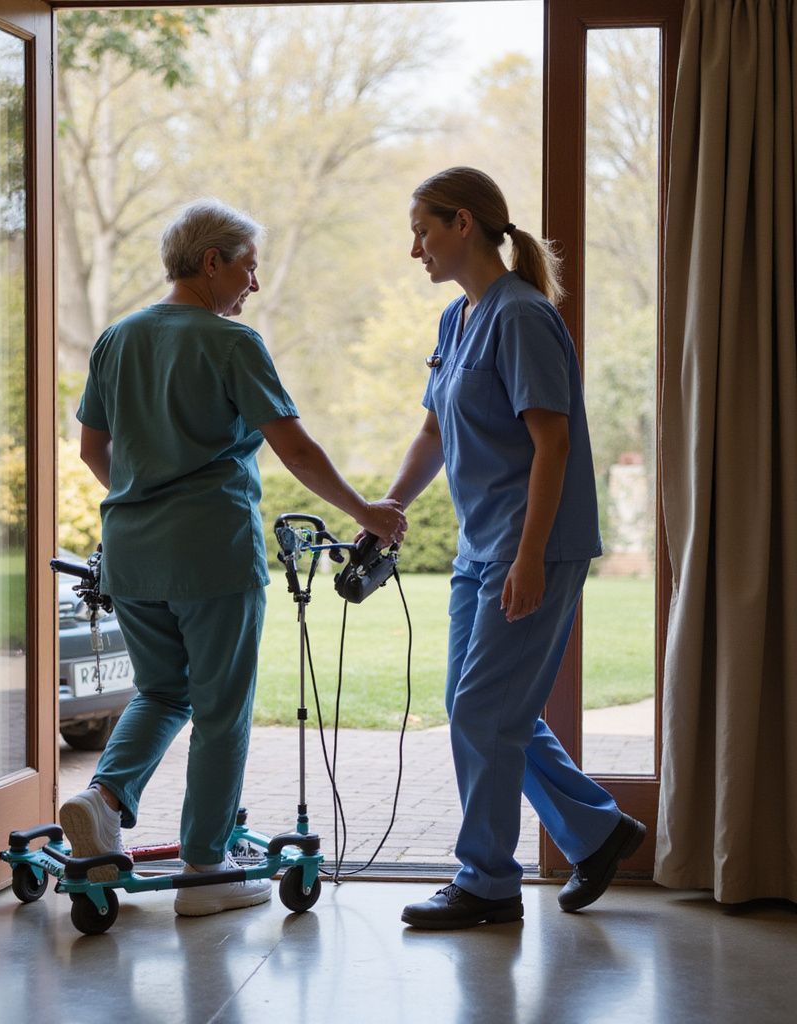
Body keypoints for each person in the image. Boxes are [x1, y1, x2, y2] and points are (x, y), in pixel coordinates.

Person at [60, 198, 406, 918]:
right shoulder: (231, 344)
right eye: (248, 267)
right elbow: (297, 449)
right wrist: (364, 512)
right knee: (221, 710)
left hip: (132, 552)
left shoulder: (116, 339)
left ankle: (104, 796)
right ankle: (207, 868)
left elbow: (94, 449)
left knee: (162, 691)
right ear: (212, 262)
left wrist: (143, 494)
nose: (252, 284)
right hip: (212, 552)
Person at [383, 167, 645, 930]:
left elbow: (553, 441)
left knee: (481, 709)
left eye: (422, 230)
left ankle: (488, 883)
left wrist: (529, 557)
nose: (415, 249)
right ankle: (598, 831)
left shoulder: (523, 315)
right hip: (482, 545)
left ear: (463, 223)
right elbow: (434, 429)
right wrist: (391, 506)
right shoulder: (455, 320)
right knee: (484, 709)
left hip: (537, 543)